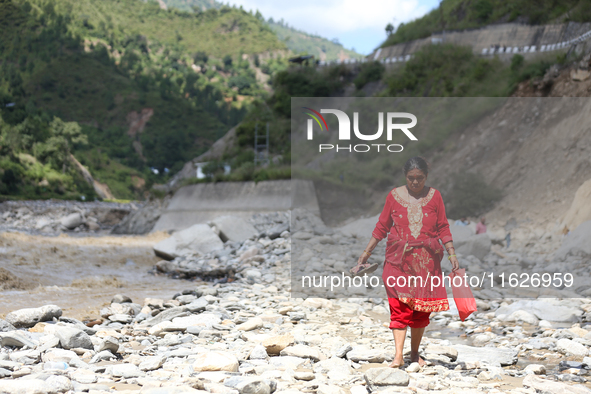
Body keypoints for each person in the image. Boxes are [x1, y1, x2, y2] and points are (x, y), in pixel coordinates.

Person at [350, 156, 459, 368]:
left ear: (426, 176)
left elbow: (443, 227)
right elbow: (382, 226)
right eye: (411, 178)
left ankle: (415, 353)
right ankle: (398, 355)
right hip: (397, 260)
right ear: (405, 176)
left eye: (420, 178)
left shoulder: (435, 197)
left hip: (426, 262)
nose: (415, 182)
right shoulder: (394, 196)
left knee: (421, 308)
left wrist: (452, 253)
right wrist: (367, 252)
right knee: (399, 306)